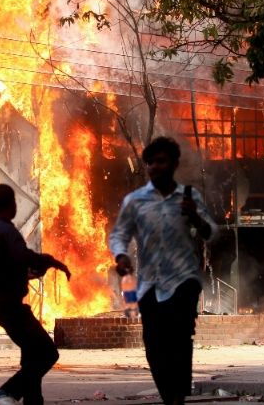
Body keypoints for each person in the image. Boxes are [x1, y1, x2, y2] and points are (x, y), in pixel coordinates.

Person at [109, 137, 218, 405]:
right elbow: (119, 234)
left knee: (180, 339)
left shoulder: (188, 198)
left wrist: (194, 217)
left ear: (174, 164)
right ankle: (171, 397)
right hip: (149, 284)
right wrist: (121, 254)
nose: (155, 167)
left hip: (184, 280)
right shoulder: (135, 201)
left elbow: (211, 233)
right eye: (151, 163)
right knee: (154, 345)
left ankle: (177, 397)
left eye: (161, 161)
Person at [0, 184, 71, 405]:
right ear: (11, 205)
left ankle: (33, 401)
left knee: (31, 354)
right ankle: (6, 391)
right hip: (9, 305)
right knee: (48, 353)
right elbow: (23, 255)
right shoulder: (6, 230)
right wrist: (50, 261)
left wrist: (22, 275)